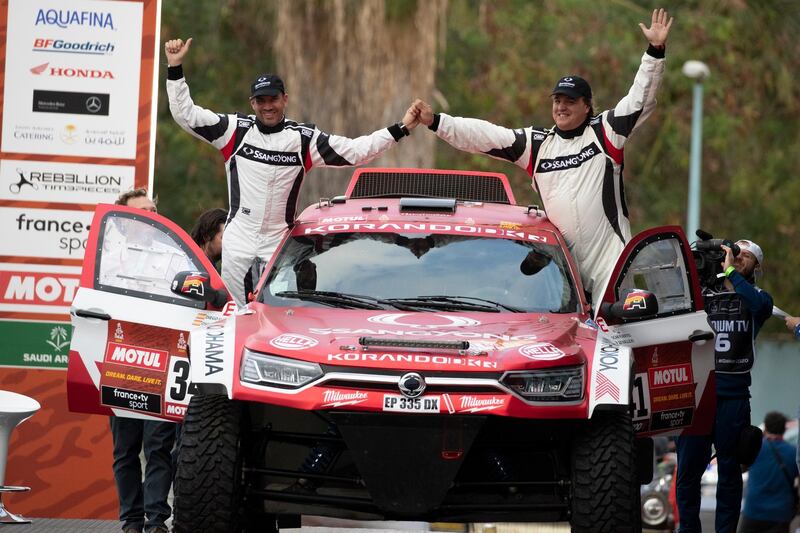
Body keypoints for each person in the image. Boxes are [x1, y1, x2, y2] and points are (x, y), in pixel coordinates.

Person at [410, 8, 673, 298]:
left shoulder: (606, 132)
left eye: (570, 101)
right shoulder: (537, 144)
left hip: (610, 267)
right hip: (563, 273)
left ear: (587, 106)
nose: (561, 107)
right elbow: (484, 135)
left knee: (613, 337)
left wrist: (655, 51)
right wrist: (437, 122)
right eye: (557, 100)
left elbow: (640, 99)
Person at [164, 37, 420, 306]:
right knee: (235, 312)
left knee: (284, 310)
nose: (267, 106)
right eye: (260, 100)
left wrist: (401, 128)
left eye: (273, 99)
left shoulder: (303, 139)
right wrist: (175, 67)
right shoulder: (235, 131)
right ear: (252, 103)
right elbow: (187, 115)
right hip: (239, 239)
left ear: (285, 99)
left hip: (279, 239)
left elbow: (357, 151)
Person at [676, 239, 774, 533]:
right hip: (698, 395)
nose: (740, 258)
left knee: (729, 471)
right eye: (736, 253)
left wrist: (731, 272)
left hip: (734, 396)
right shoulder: (704, 294)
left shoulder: (759, 299)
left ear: (756, 266)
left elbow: (757, 305)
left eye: (748, 256)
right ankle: (688, 529)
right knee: (689, 471)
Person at [111, 188, 174, 533]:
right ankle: (131, 521)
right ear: (123, 221)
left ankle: (156, 520)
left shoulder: (172, 253)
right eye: (141, 213)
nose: (150, 216)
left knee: (160, 445)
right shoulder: (107, 258)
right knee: (125, 449)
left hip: (162, 361)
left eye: (153, 210)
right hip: (121, 360)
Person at [739, 411, 799, 533]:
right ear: (784, 429)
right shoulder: (793, 452)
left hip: (754, 511)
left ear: (765, 427)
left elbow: (741, 469)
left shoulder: (756, 448)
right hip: (781, 514)